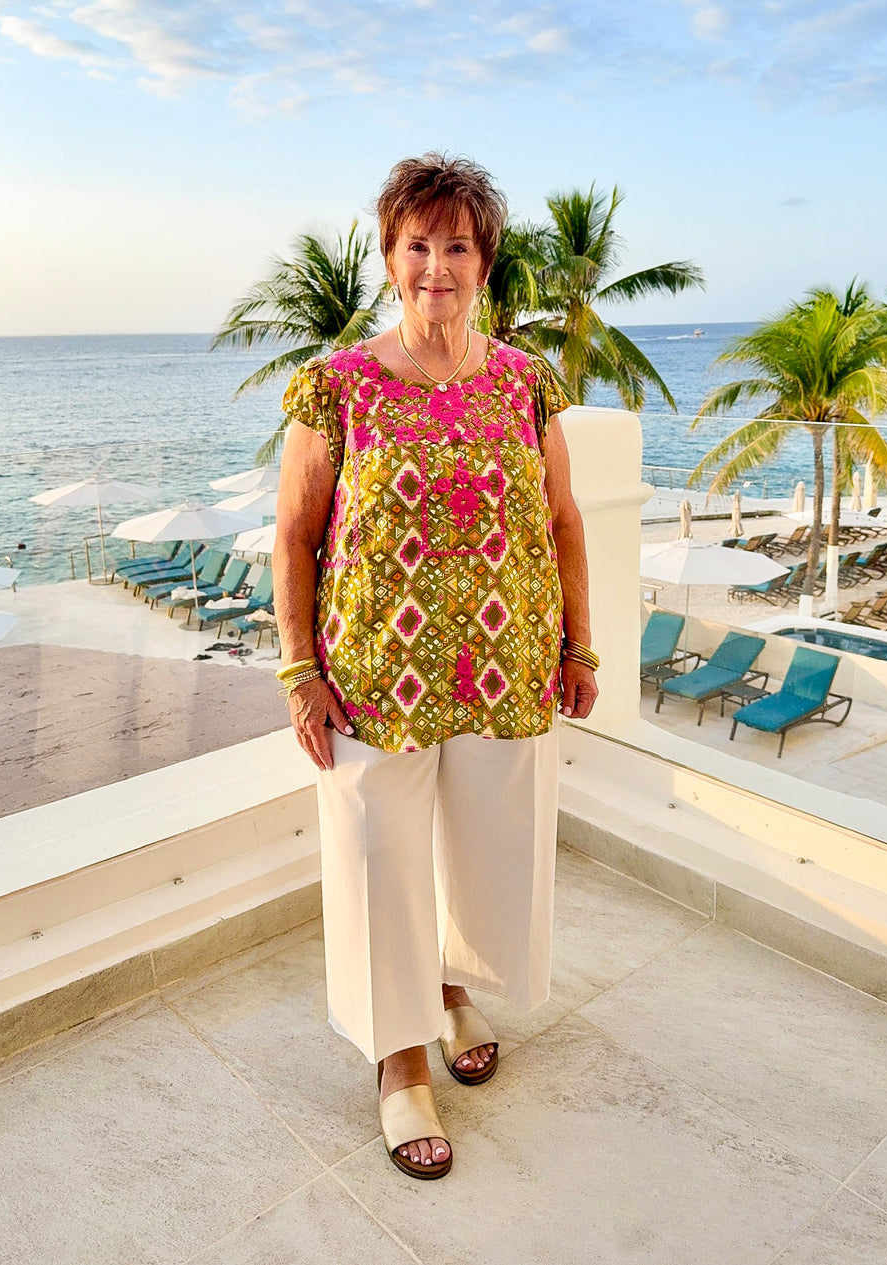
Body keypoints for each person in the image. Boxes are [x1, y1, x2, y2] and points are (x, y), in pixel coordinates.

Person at [272, 153, 597, 1181]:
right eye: (419, 244)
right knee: (381, 862)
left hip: (506, 663)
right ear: (390, 257)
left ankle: (453, 986)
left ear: (484, 262)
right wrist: (299, 671)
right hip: (373, 673)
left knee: (489, 851)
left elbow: (563, 518)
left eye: (458, 244)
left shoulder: (526, 382)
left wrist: (578, 642)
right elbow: (294, 536)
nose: (437, 265)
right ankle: (400, 1056)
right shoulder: (337, 386)